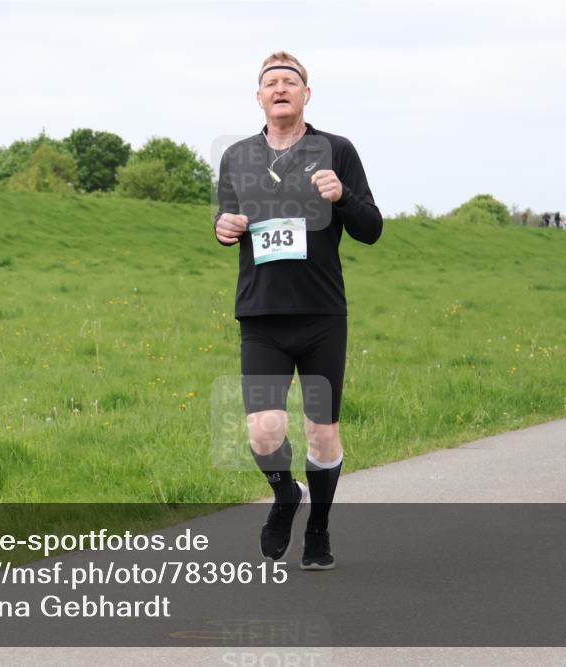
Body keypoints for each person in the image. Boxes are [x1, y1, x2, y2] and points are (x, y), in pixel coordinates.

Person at [213, 52, 382, 570]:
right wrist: (223, 229)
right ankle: (286, 496)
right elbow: (226, 221)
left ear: (306, 95)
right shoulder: (237, 157)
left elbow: (370, 228)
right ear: (259, 97)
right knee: (263, 431)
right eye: (271, 82)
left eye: (291, 81)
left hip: (320, 317)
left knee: (320, 431)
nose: (280, 87)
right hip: (261, 317)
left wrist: (343, 195)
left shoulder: (336, 150)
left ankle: (320, 528)